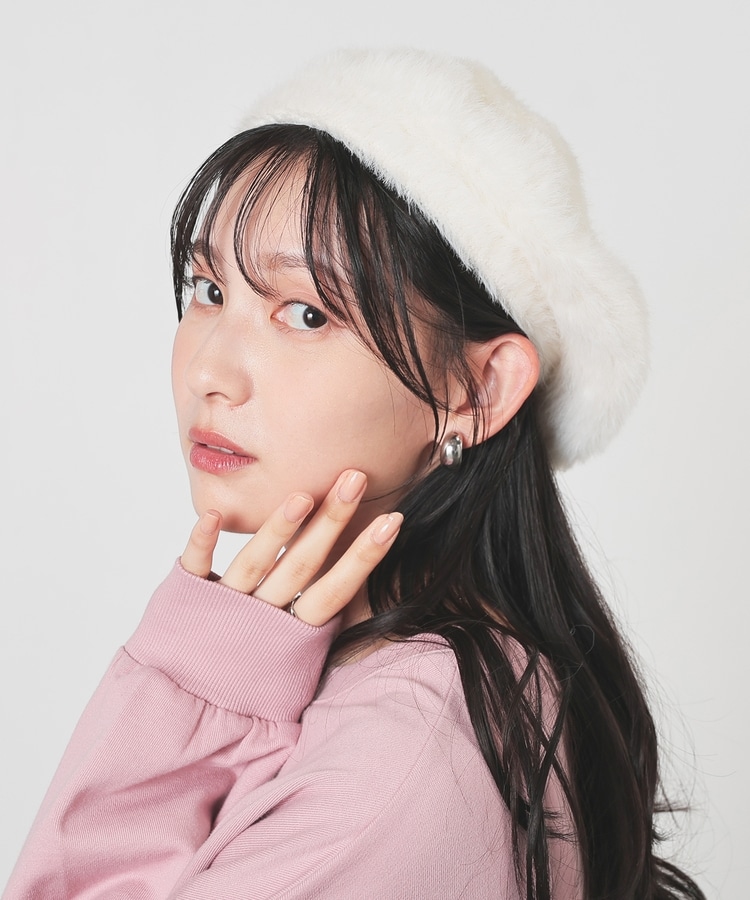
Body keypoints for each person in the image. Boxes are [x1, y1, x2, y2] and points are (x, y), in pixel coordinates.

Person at [3, 49, 705, 899]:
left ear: (477, 391)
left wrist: (195, 695)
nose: (210, 372)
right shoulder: (437, 688)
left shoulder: (408, 748)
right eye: (207, 288)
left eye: (305, 313)